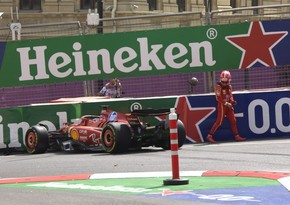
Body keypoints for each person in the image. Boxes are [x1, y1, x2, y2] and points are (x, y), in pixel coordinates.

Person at [207, 70, 246, 143]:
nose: (224, 81)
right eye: (223, 79)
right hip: (222, 105)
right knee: (219, 122)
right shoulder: (218, 86)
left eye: (225, 79)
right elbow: (218, 98)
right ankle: (210, 135)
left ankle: (236, 136)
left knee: (233, 120)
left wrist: (232, 101)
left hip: (228, 105)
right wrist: (226, 103)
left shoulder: (229, 86)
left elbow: (230, 96)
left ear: (229, 79)